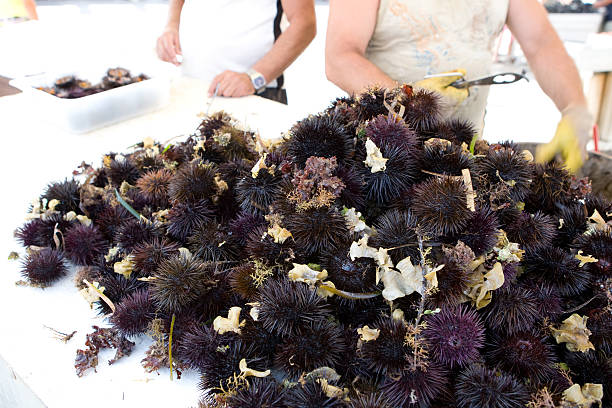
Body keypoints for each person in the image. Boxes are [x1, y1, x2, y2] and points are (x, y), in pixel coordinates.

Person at [325, 0, 592, 173]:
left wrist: (575, 107)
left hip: (467, 152)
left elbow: (541, 43)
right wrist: (408, 102)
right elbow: (341, 58)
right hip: (388, 155)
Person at [156, 0, 316, 105]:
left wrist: (253, 78)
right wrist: (171, 25)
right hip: (191, 88)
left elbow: (304, 24)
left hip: (253, 95)